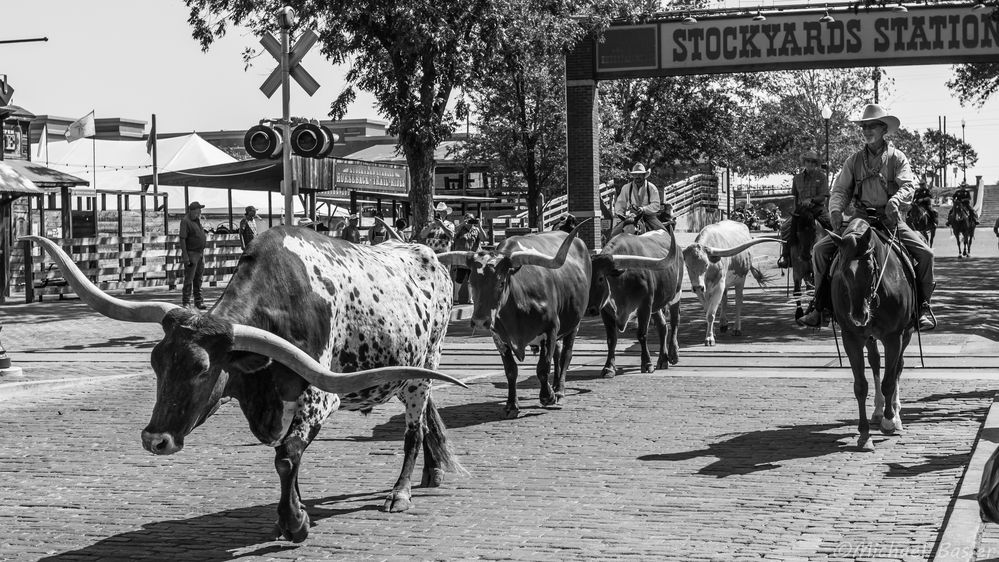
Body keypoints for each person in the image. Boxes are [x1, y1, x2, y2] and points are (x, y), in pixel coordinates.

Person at [797, 104, 935, 330]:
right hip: (860, 221)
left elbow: (908, 186)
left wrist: (895, 201)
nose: (867, 130)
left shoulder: (897, 158)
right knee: (821, 251)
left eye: (872, 126)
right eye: (864, 127)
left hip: (890, 220)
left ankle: (922, 307)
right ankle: (820, 307)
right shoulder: (853, 161)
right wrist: (835, 209)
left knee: (926, 254)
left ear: (883, 129)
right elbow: (841, 189)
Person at [777, 151, 830, 269]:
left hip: (818, 209)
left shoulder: (821, 177)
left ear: (816, 164)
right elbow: (794, 196)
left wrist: (811, 200)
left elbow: (824, 196)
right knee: (785, 228)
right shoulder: (797, 178)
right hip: (801, 210)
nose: (810, 164)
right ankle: (786, 256)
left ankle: (838, 255)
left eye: (813, 162)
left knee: (834, 226)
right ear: (804, 163)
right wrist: (796, 210)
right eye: (808, 161)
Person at [610, 163, 665, 238]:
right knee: (613, 235)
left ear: (644, 175)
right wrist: (622, 216)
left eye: (640, 174)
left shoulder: (651, 188)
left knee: (664, 233)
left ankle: (670, 247)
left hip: (648, 216)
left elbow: (656, 205)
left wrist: (644, 209)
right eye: (635, 174)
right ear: (633, 176)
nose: (637, 177)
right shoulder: (626, 188)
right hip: (631, 217)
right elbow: (620, 203)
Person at [179, 201, 208, 310]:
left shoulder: (197, 220)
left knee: (199, 278)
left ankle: (198, 301)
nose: (200, 211)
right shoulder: (185, 221)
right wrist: (185, 256)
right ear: (193, 210)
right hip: (191, 253)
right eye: (198, 209)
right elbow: (182, 239)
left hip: (200, 253)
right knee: (189, 279)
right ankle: (186, 302)